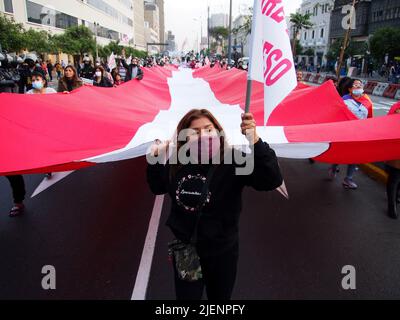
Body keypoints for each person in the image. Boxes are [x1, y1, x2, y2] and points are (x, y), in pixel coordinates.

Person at [146, 109, 283, 300]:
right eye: (195, 132)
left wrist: (255, 141)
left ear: (217, 131)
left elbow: (271, 179)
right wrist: (154, 159)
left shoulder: (234, 160)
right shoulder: (177, 162)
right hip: (188, 251)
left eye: (208, 129)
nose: (203, 135)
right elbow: (157, 187)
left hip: (222, 253)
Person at [329, 78, 372, 189]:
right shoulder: (344, 100)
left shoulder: (367, 101)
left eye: (360, 84)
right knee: (340, 153)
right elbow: (337, 115)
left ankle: (348, 178)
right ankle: (333, 167)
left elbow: (370, 118)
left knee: (355, 156)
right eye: (355, 84)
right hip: (344, 132)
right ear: (349, 89)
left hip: (359, 134)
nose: (358, 86)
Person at [386, 102, 400, 219]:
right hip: (397, 147)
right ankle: (391, 205)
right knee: (394, 178)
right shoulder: (396, 107)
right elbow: (388, 124)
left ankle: (397, 196)